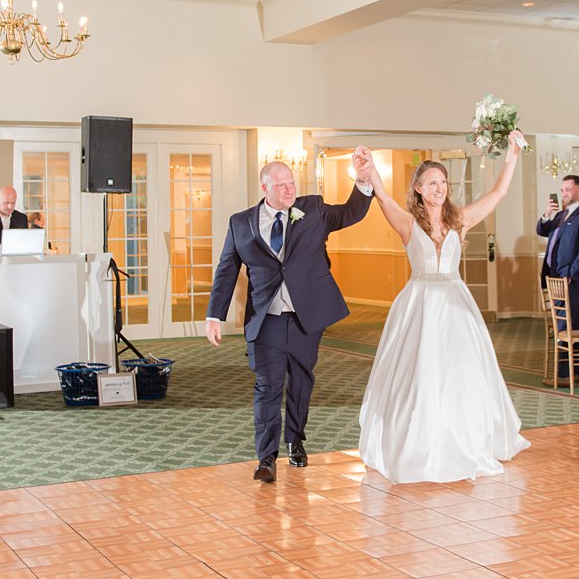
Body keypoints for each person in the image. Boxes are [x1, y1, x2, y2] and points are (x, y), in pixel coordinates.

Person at [354, 136, 530, 483]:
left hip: (454, 304)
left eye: (443, 183)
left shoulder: (459, 220)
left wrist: (513, 155)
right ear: (418, 189)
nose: (440, 188)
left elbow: (497, 195)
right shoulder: (407, 223)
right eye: (432, 183)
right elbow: (383, 197)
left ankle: (461, 437)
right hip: (419, 304)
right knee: (419, 373)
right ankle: (418, 443)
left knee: (459, 373)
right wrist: (369, 167)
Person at [206, 157, 374, 483]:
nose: (289, 190)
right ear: (265, 187)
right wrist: (215, 315)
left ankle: (296, 439)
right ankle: (266, 457)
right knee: (267, 386)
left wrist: (363, 181)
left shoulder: (312, 209)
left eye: (292, 183)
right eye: (281, 185)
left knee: (300, 381)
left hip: (304, 316)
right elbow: (227, 269)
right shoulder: (241, 223)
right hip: (265, 318)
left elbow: (350, 212)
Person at [537, 174, 579, 384]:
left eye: (568, 189)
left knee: (570, 325)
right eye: (562, 190)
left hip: (571, 279)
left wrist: (570, 274)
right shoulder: (561, 215)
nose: (564, 193)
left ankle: (569, 374)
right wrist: (547, 214)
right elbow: (542, 230)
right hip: (555, 277)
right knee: (565, 324)